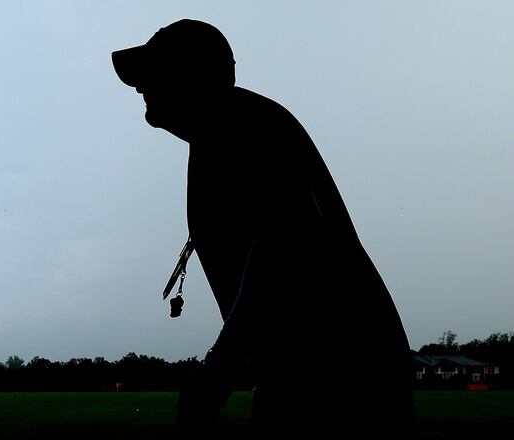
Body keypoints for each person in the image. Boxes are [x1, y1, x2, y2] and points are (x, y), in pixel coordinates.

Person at [112, 19, 414, 438]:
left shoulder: (234, 126)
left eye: (154, 73)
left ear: (193, 76)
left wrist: (218, 372)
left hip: (333, 372)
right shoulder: (223, 131)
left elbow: (286, 237)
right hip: (322, 369)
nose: (141, 88)